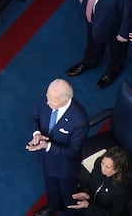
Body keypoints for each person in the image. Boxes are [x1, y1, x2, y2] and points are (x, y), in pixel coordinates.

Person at [27, 79, 88, 216]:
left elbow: (73, 151)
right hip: (46, 160)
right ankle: (53, 206)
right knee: (51, 188)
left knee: (69, 195)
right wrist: (37, 134)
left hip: (65, 167)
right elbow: (34, 118)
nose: (47, 103)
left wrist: (47, 145)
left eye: (52, 101)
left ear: (65, 101)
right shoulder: (48, 98)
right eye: (47, 98)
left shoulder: (80, 120)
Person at [68, 146, 132, 215]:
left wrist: (89, 206)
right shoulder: (99, 163)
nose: (102, 168)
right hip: (91, 204)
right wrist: (87, 193)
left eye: (107, 167)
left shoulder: (122, 191)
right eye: (102, 163)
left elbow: (113, 214)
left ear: (116, 170)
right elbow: (91, 182)